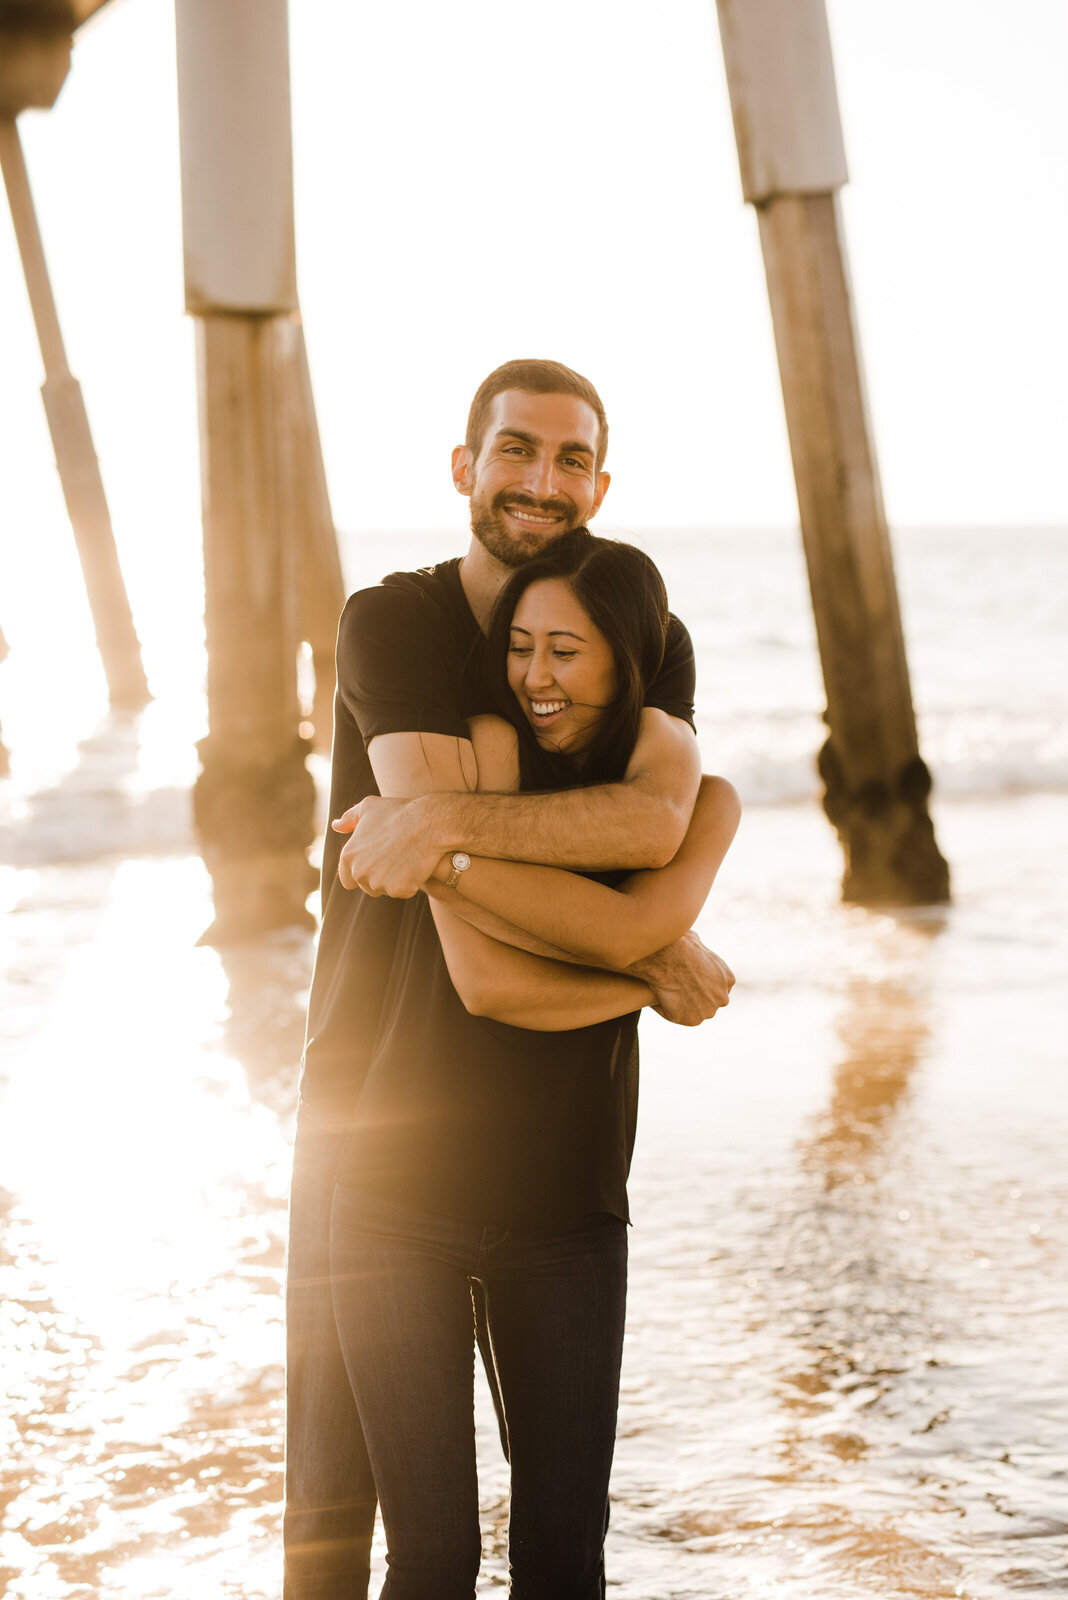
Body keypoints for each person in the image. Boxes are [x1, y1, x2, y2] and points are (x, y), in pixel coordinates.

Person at [284, 359, 735, 1598]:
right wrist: (650, 949)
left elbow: (655, 819)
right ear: (463, 467)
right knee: (337, 1520)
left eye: (571, 459)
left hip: (564, 1153)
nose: (542, 482)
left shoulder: (651, 633)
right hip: (371, 1119)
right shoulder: (398, 621)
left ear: (601, 482)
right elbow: (473, 885)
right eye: (517, 450)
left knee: (560, 1553)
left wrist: (444, 837)